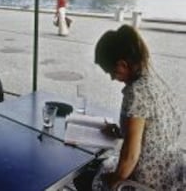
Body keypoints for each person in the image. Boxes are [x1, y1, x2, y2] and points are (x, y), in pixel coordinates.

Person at [79, 25, 185, 190]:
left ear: (123, 64)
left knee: (84, 177)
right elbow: (152, 131)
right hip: (170, 174)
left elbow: (130, 157)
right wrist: (123, 132)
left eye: (112, 72)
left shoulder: (136, 94)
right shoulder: (152, 79)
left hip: (147, 181)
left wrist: (112, 183)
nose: (113, 78)